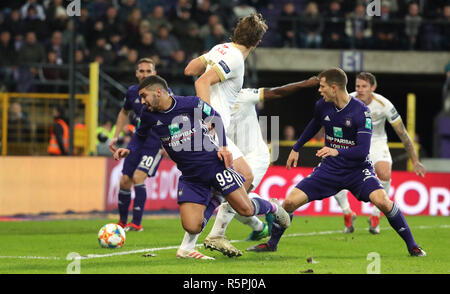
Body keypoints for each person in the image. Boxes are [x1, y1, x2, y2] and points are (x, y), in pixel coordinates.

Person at [247, 68, 426, 257]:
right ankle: (272, 243)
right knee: (289, 202)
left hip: (358, 171)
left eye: (322, 86)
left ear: (334, 88)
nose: (320, 90)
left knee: (383, 202)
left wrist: (336, 150)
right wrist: (296, 147)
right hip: (329, 170)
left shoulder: (361, 112)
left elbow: (362, 151)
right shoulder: (322, 105)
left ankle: (412, 246)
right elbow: (315, 124)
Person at [113, 75, 291, 260]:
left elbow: (216, 118)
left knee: (246, 210)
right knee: (191, 226)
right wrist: (128, 149)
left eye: (144, 96)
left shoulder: (191, 103)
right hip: (191, 176)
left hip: (214, 166)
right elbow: (140, 137)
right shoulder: (148, 114)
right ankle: (213, 203)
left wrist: (223, 146)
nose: (142, 101)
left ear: (158, 92)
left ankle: (272, 207)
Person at [202, 76, 320, 257]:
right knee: (234, 202)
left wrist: (304, 83)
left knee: (234, 196)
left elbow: (277, 91)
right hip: (234, 159)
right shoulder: (207, 105)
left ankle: (216, 235)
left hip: (256, 156)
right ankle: (264, 219)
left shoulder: (244, 95)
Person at [182, 13, 268, 257]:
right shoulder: (235, 59)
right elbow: (201, 81)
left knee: (236, 180)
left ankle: (202, 239)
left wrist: (210, 59)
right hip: (212, 129)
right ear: (257, 42)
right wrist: (208, 118)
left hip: (213, 130)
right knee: (241, 179)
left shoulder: (221, 48)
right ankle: (209, 236)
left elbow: (190, 68)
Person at [333, 72, 426, 234]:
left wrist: (415, 160)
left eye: (364, 86)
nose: (360, 90)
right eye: (357, 86)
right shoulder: (347, 100)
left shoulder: (384, 105)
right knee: (334, 174)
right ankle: (347, 212)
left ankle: (376, 214)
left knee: (384, 173)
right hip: (352, 141)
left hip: (375, 141)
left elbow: (403, 134)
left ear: (373, 88)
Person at [108, 58, 163, 232]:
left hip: (154, 142)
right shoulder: (132, 92)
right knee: (124, 181)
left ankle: (136, 223)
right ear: (136, 73)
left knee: (139, 177)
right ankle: (122, 222)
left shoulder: (162, 93)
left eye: (148, 71)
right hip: (137, 141)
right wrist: (115, 136)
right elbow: (124, 112)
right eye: (142, 71)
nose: (145, 74)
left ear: (154, 74)